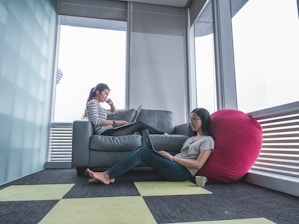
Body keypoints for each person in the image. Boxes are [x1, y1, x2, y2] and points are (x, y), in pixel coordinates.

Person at [86, 108, 215, 185]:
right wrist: (166, 157)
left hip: (182, 173)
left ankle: (108, 176)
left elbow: (198, 165)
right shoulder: (191, 138)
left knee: (142, 151)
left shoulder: (207, 140)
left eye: (195, 119)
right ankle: (110, 175)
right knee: (140, 149)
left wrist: (172, 158)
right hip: (174, 165)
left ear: (204, 120)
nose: (191, 122)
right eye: (190, 119)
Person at [83, 83, 163, 136]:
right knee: (139, 124)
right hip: (106, 132)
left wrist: (111, 104)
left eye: (107, 95)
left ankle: (159, 137)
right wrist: (118, 122)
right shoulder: (92, 103)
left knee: (138, 128)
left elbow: (113, 112)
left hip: (109, 131)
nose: (106, 97)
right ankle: (163, 134)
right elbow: (96, 121)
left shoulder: (98, 106)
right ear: (97, 92)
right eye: (105, 94)